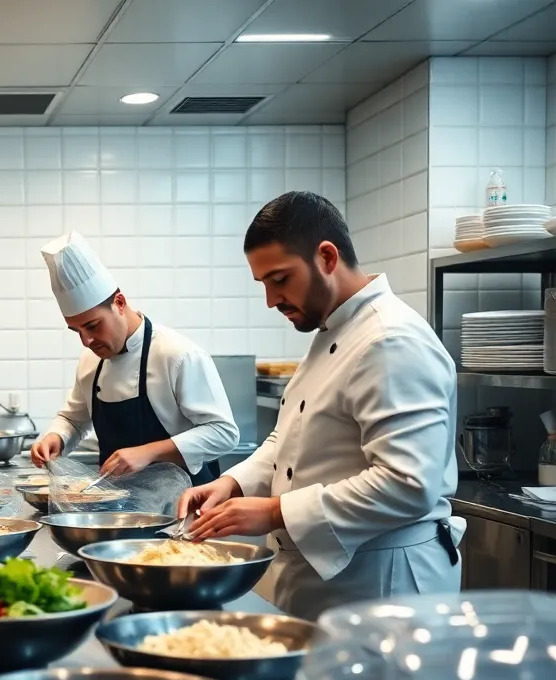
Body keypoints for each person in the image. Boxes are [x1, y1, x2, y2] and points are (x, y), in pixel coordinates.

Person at [178, 191, 463, 621]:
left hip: (386, 586)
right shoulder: (332, 331)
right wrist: (234, 484)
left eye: (280, 279)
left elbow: (409, 483)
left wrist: (275, 511)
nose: (271, 300)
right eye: (264, 285)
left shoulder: (390, 339)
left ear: (327, 257)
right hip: (335, 580)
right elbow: (289, 436)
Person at [29, 231, 239, 486]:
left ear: (119, 302)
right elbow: (74, 418)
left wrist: (148, 452)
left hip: (184, 508)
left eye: (93, 326)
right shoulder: (90, 362)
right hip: (116, 507)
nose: (86, 341)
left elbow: (224, 433)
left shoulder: (178, 355)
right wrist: (56, 437)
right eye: (77, 331)